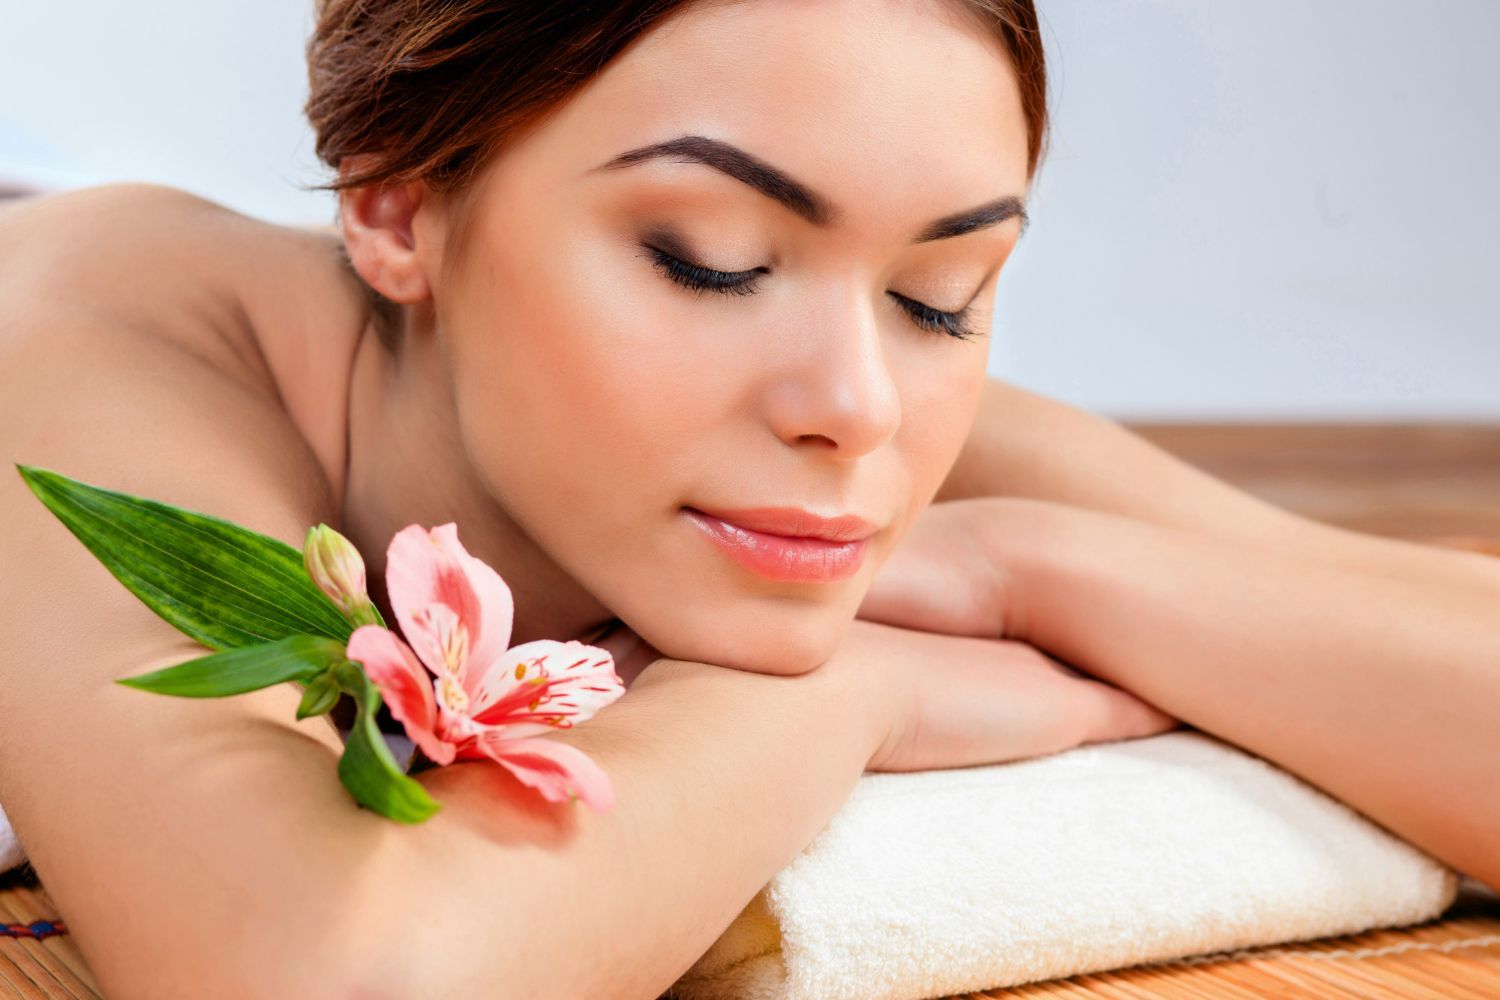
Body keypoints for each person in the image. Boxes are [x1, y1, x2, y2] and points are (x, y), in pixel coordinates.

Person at [1, 1, 1496, 997]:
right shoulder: (85, 323)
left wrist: (1038, 569)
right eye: (711, 258)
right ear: (396, 201)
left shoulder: (839, 417)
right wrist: (846, 691)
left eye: (944, 289)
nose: (855, 408)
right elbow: (330, 977)